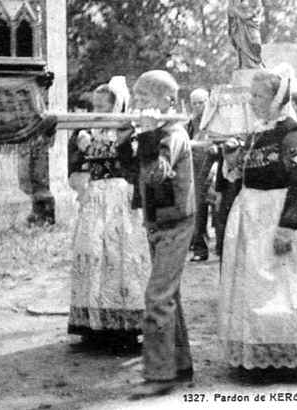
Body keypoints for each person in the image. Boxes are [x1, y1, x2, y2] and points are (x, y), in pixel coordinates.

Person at [218, 70, 297, 373]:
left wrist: (287, 226)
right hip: (252, 213)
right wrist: (232, 156)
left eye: (257, 96)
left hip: (277, 213)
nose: (252, 101)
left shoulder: (292, 134)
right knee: (257, 285)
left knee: (285, 284)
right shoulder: (258, 131)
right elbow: (243, 171)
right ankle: (261, 350)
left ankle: (291, 353)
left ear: (276, 99)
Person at [117, 70, 195, 399]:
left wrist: (147, 135)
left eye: (145, 99)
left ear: (168, 102)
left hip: (175, 223)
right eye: (136, 99)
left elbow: (155, 175)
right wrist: (124, 141)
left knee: (157, 298)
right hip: (157, 222)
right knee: (168, 295)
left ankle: (160, 374)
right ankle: (179, 364)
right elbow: (133, 175)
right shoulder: (156, 133)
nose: (138, 105)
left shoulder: (173, 134)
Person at [67, 78, 151, 352]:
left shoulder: (127, 129)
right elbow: (78, 164)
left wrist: (107, 144)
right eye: (96, 105)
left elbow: (131, 162)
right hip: (95, 198)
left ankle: (122, 327)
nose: (99, 109)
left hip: (119, 197)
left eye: (104, 105)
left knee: (118, 256)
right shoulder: (86, 130)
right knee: (92, 254)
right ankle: (93, 323)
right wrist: (80, 146)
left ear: (117, 104)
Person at [188, 88, 215, 262]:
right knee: (198, 209)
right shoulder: (191, 124)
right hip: (197, 169)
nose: (198, 106)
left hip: (214, 166)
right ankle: (200, 248)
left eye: (201, 102)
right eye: (195, 103)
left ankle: (221, 247)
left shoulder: (215, 121)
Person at [227, 0, 264, 69]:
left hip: (252, 23)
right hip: (240, 25)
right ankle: (244, 65)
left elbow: (259, 7)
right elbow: (230, 10)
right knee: (242, 44)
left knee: (256, 43)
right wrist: (238, 13)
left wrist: (250, 14)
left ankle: (256, 62)